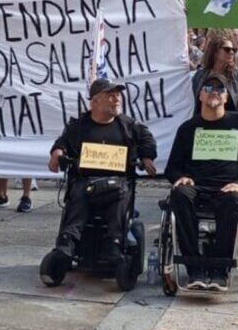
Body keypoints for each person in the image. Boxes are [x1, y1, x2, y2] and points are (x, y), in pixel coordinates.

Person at [164, 72, 238, 291]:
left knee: (234, 201)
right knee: (179, 196)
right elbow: (172, 167)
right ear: (200, 95)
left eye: (220, 89)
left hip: (230, 188)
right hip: (196, 187)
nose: (214, 92)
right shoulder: (188, 128)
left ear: (226, 97)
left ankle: (220, 269)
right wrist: (180, 178)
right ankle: (194, 268)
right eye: (208, 88)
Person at [46, 79, 158, 266]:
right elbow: (62, 143)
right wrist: (57, 153)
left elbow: (147, 140)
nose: (116, 99)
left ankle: (113, 244)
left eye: (118, 95)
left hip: (117, 183)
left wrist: (147, 158)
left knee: (119, 192)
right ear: (95, 101)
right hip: (85, 180)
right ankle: (68, 242)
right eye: (110, 95)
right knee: (79, 193)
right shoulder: (79, 125)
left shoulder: (128, 126)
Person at [190, 33, 238, 115]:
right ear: (215, 51)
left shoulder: (236, 77)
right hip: (204, 124)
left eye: (234, 50)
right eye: (227, 49)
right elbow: (193, 103)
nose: (232, 52)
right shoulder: (200, 75)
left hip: (229, 124)